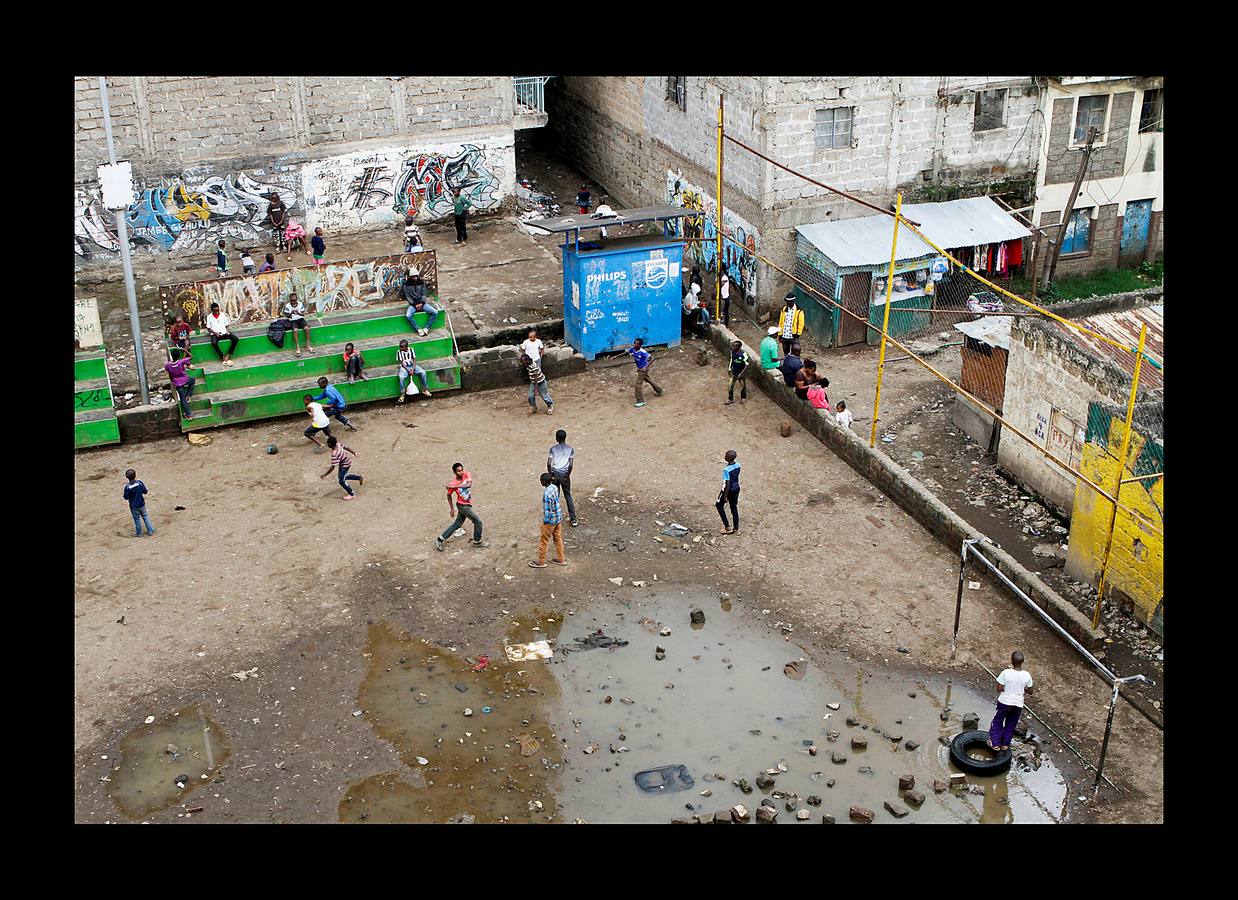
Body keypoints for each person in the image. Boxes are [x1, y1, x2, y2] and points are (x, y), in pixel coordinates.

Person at [990, 651, 1034, 751]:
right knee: (1011, 723)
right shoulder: (1027, 675)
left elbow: (999, 688)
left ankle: (995, 743)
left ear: (1012, 661)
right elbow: (1030, 691)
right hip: (1018, 704)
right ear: (1022, 662)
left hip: (1004, 701)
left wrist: (1004, 688)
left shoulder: (1006, 672)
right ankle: (1005, 744)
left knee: (997, 721)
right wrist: (1023, 688)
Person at [435, 462, 483, 550]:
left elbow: (469, 484)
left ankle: (440, 539)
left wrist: (455, 487)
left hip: (466, 504)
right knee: (478, 521)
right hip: (463, 506)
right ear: (454, 472)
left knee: (457, 524)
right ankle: (477, 541)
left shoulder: (466, 474)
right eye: (458, 471)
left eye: (462, 470)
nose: (461, 472)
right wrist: (452, 509)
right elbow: (448, 495)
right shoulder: (452, 483)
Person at [529, 472, 567, 568]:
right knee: (558, 538)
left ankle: (541, 561)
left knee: (544, 540)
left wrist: (545, 521)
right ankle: (561, 559)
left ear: (543, 482)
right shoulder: (554, 487)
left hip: (550, 520)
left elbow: (548, 510)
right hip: (558, 517)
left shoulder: (546, 493)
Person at [547, 428, 577, 527]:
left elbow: (549, 463)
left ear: (557, 438)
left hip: (555, 474)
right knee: (568, 496)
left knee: (555, 496)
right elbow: (571, 465)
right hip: (565, 475)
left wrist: (551, 474)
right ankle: (573, 519)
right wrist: (567, 475)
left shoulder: (553, 449)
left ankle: (554, 518)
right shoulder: (570, 449)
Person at [320, 435, 363, 500]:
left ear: (330, 444)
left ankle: (352, 494)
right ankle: (359, 477)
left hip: (345, 465)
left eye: (328, 443)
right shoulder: (338, 444)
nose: (327, 444)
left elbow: (332, 467)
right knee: (342, 477)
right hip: (346, 462)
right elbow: (346, 447)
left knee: (341, 481)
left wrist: (324, 475)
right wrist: (354, 452)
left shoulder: (335, 453)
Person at [627, 337, 662, 408]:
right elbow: (627, 352)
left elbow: (652, 358)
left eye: (636, 344)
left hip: (643, 370)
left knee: (638, 384)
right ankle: (659, 390)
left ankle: (640, 401)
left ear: (640, 345)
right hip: (640, 368)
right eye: (634, 343)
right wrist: (615, 356)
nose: (634, 345)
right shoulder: (632, 349)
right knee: (648, 379)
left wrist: (645, 367)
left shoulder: (643, 352)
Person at [403, 270, 439, 336]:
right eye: (414, 276)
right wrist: (414, 305)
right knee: (408, 316)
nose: (415, 278)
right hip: (413, 305)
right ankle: (418, 329)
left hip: (423, 304)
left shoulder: (422, 282)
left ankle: (426, 328)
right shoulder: (406, 285)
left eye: (416, 276)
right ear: (411, 277)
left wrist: (422, 303)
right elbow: (407, 296)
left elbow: (424, 294)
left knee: (435, 312)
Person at [396, 339, 432, 403]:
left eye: (402, 347)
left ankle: (425, 389)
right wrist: (408, 370)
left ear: (406, 347)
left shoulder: (411, 350)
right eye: (400, 347)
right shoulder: (399, 352)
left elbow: (414, 360)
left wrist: (412, 369)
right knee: (401, 377)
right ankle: (402, 394)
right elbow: (402, 363)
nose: (400, 348)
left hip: (412, 365)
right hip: (404, 367)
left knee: (423, 372)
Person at [165, 347, 195, 420]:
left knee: (182, 399)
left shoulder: (168, 365)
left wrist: (172, 380)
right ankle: (189, 395)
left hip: (177, 383)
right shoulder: (181, 361)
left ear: (171, 356)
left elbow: (170, 375)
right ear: (179, 356)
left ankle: (189, 415)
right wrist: (184, 350)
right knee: (192, 380)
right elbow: (191, 356)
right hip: (185, 379)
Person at [715, 450, 741, 535]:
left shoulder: (726, 469)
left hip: (728, 490)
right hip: (736, 488)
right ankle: (736, 528)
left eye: (726, 455)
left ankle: (727, 526)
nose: (724, 456)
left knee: (719, 505)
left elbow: (727, 483)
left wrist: (725, 496)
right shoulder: (738, 465)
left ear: (728, 458)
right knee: (734, 507)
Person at [281, 292, 314, 356]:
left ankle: (308, 345)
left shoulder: (300, 304)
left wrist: (298, 313)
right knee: (295, 330)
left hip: (300, 319)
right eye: (291, 300)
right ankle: (297, 347)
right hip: (293, 320)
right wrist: (291, 313)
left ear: (296, 299)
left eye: (294, 300)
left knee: (307, 328)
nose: (293, 302)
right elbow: (287, 316)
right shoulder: (287, 306)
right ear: (290, 300)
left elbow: (303, 314)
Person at [124, 468, 154, 537]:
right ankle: (150, 530)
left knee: (136, 519)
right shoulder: (139, 483)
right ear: (135, 475)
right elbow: (145, 491)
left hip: (133, 506)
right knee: (145, 516)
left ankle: (139, 533)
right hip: (141, 504)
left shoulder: (127, 487)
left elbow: (126, 497)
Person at [777, 291, 805, 356]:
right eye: (787, 302)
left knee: (795, 353)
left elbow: (801, 323)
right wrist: (780, 334)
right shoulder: (784, 309)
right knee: (786, 352)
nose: (787, 303)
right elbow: (781, 322)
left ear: (793, 301)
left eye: (789, 302)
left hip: (794, 336)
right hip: (785, 335)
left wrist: (798, 334)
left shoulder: (799, 311)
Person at [726, 340, 750, 405]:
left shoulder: (743, 354)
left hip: (741, 373)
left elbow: (747, 364)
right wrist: (729, 368)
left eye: (734, 346)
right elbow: (731, 360)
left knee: (743, 386)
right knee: (730, 386)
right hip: (734, 372)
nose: (732, 347)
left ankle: (743, 398)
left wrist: (741, 374)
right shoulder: (732, 352)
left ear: (738, 347)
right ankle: (730, 399)